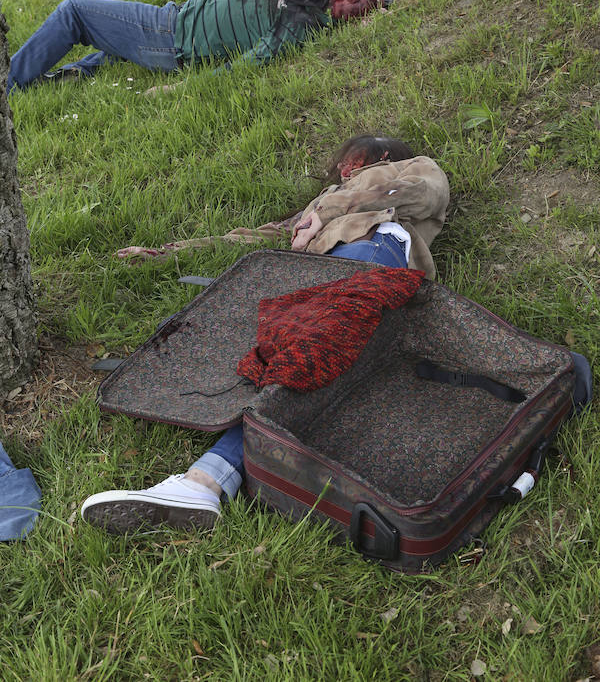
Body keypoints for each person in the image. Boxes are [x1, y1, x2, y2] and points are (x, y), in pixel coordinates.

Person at [80, 133, 450, 534]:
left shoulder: (411, 168)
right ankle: (208, 480)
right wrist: (172, 251)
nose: (345, 168)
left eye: (353, 158)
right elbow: (262, 235)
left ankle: (203, 482)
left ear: (381, 154)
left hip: (370, 253)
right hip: (307, 279)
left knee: (307, 357)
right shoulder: (324, 199)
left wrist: (328, 211)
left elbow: (423, 194)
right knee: (279, 361)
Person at [6, 0, 385, 96]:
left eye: (355, 1)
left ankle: (8, 83)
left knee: (74, 11)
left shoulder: (298, 24)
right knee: (110, 49)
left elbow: (248, 64)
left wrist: (177, 89)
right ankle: (63, 77)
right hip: (176, 20)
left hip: (168, 35)